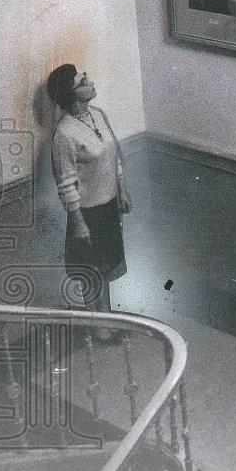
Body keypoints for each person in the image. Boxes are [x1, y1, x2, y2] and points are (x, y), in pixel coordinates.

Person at [47, 64, 132, 314]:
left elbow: (113, 155)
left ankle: (106, 321)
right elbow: (66, 182)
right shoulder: (64, 134)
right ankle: (97, 327)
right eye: (82, 81)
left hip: (108, 207)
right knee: (90, 273)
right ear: (71, 95)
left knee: (105, 269)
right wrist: (78, 221)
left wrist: (122, 190)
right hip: (86, 214)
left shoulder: (98, 114)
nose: (89, 81)